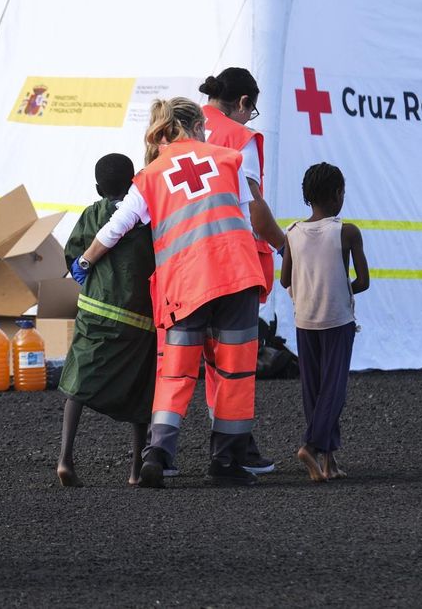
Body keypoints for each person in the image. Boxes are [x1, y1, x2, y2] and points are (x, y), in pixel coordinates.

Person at [75, 97, 266, 488]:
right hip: (236, 277)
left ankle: (158, 455)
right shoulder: (230, 160)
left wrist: (85, 262)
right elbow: (246, 224)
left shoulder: (151, 175)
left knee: (175, 373)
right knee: (233, 373)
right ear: (198, 126)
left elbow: (117, 226)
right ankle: (226, 463)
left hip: (184, 286)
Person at [197, 67, 285, 475]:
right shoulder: (239, 139)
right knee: (233, 361)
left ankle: (155, 454)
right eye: (253, 110)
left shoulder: (181, 125)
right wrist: (285, 246)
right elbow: (253, 208)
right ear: (244, 103)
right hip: (232, 263)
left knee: (178, 364)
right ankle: (234, 450)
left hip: (184, 264)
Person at [56, 153, 157, 487]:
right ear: (133, 183)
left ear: (98, 187)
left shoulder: (91, 214)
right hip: (139, 320)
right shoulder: (148, 218)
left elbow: (73, 257)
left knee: (79, 380)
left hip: (95, 312)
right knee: (143, 390)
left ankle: (65, 458)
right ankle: (135, 471)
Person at [280, 163, 368, 482]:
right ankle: (311, 447)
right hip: (338, 319)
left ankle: (329, 463)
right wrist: (341, 289)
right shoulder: (347, 231)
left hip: (305, 319)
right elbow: (363, 281)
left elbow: (284, 279)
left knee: (314, 390)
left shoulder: (292, 233)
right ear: (337, 194)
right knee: (334, 389)